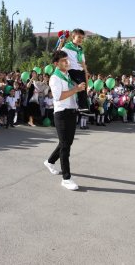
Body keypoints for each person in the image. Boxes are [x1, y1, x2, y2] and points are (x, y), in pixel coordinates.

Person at [44, 50, 86, 191]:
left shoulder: (68, 75)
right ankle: (66, 178)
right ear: (56, 63)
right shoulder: (55, 78)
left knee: (67, 143)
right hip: (61, 113)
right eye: (63, 60)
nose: (67, 62)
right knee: (65, 146)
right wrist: (76, 89)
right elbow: (59, 96)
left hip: (72, 112)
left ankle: (50, 161)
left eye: (67, 59)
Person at [61, 29, 89, 112]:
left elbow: (83, 63)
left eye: (82, 38)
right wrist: (61, 43)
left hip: (81, 71)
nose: (81, 39)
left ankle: (84, 107)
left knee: (85, 88)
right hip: (72, 70)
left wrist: (85, 70)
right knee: (81, 85)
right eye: (79, 37)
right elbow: (58, 54)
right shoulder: (67, 47)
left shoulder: (80, 50)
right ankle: (82, 106)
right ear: (73, 37)